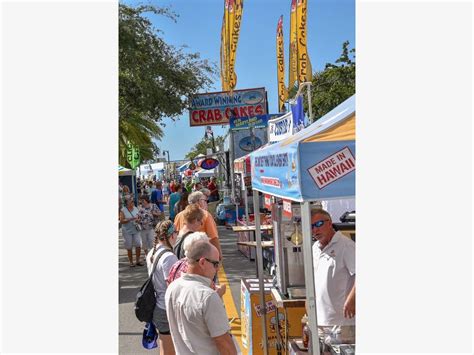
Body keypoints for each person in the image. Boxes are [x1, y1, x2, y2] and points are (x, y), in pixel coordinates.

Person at [165, 240, 237, 355]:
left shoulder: (172, 287)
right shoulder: (207, 296)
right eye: (216, 264)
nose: (218, 269)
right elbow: (223, 342)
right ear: (203, 262)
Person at [311, 208, 355, 326]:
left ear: (330, 223)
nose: (315, 229)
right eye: (311, 226)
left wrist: (352, 299)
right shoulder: (315, 247)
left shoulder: (346, 246)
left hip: (342, 322)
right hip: (320, 320)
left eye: (319, 224)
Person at [146, 220, 179, 355]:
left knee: (165, 348)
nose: (177, 236)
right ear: (171, 235)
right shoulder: (169, 257)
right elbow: (173, 287)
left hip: (159, 307)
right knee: (170, 350)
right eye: (176, 233)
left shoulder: (152, 252)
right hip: (167, 309)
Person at [174, 191, 222, 260]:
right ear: (198, 201)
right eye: (205, 200)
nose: (207, 203)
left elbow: (176, 236)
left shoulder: (179, 215)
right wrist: (219, 256)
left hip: (182, 255)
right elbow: (213, 238)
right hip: (201, 256)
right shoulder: (205, 215)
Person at [119, 195, 143, 267]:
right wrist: (130, 219)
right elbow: (121, 221)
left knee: (138, 245)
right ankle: (131, 262)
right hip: (127, 231)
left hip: (136, 229)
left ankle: (138, 261)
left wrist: (138, 220)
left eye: (133, 201)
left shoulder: (136, 208)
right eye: (131, 201)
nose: (132, 202)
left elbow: (139, 218)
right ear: (127, 202)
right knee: (129, 246)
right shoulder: (123, 210)